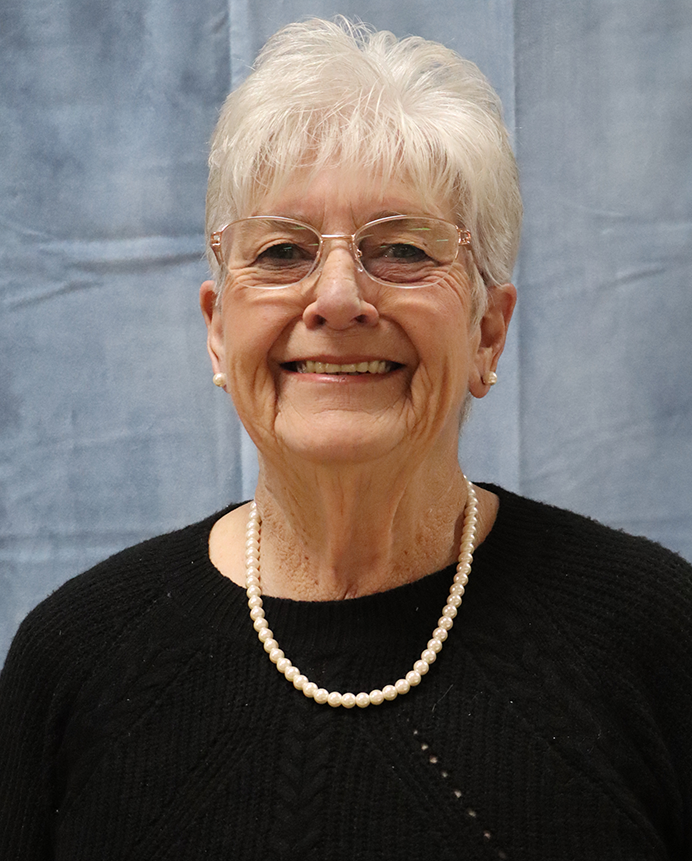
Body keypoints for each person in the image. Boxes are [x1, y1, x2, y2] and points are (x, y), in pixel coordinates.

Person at [1, 17, 691, 861]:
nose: (336, 298)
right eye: (283, 251)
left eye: (401, 248)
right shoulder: (74, 660)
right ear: (219, 332)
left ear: (487, 332)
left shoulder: (659, 637)